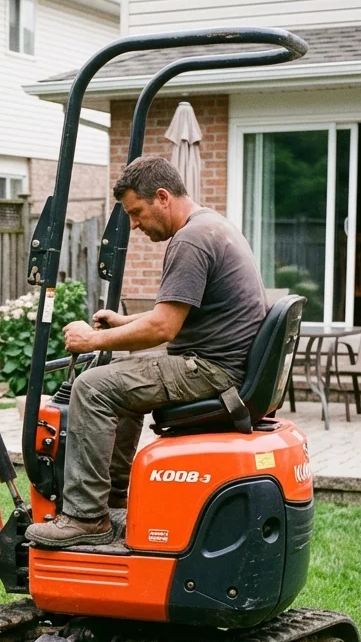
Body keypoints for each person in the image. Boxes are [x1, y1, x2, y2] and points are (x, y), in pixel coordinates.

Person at [26, 155, 267, 549]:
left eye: (137, 214)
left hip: (212, 369)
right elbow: (175, 313)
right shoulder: (212, 225)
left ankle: (85, 516)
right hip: (221, 363)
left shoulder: (191, 239)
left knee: (91, 387)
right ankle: (115, 496)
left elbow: (163, 328)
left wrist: (93, 340)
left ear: (162, 197)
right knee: (118, 374)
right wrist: (122, 324)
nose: (135, 226)